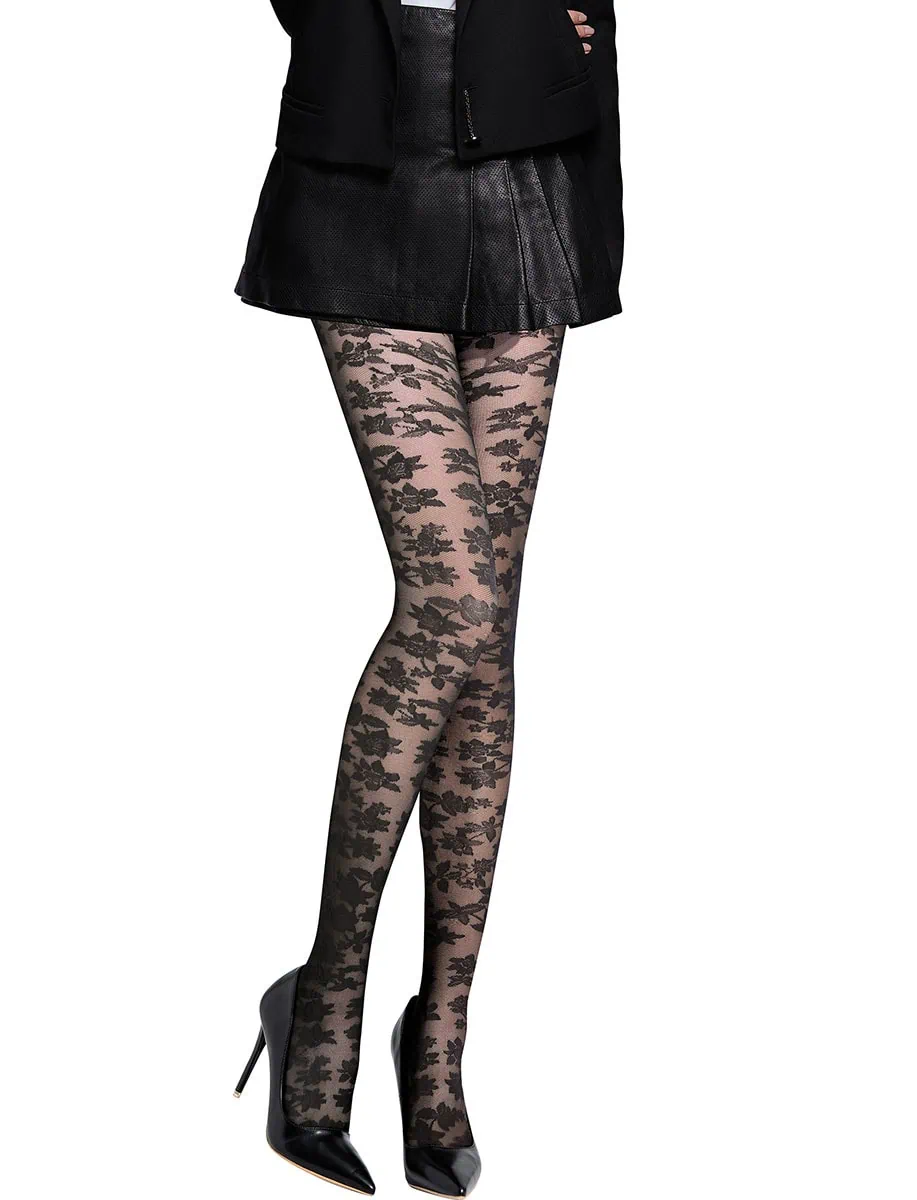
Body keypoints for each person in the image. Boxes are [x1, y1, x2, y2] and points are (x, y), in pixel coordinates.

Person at [232, 3, 623, 1195]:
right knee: (451, 603)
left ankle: (439, 1038)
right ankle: (326, 995)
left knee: (484, 634)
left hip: (528, 157)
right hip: (363, 151)